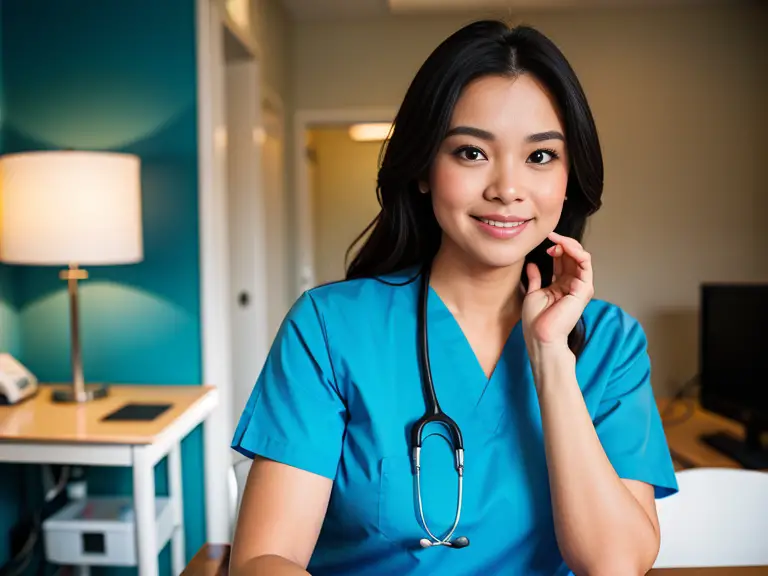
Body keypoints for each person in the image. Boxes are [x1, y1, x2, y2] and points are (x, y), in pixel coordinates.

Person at [230, 19, 679, 576]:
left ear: (570, 179)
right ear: (423, 168)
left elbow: (615, 566)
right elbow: (263, 558)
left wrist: (550, 359)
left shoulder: (612, 344)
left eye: (540, 157)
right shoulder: (328, 329)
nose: (507, 188)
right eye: (471, 153)